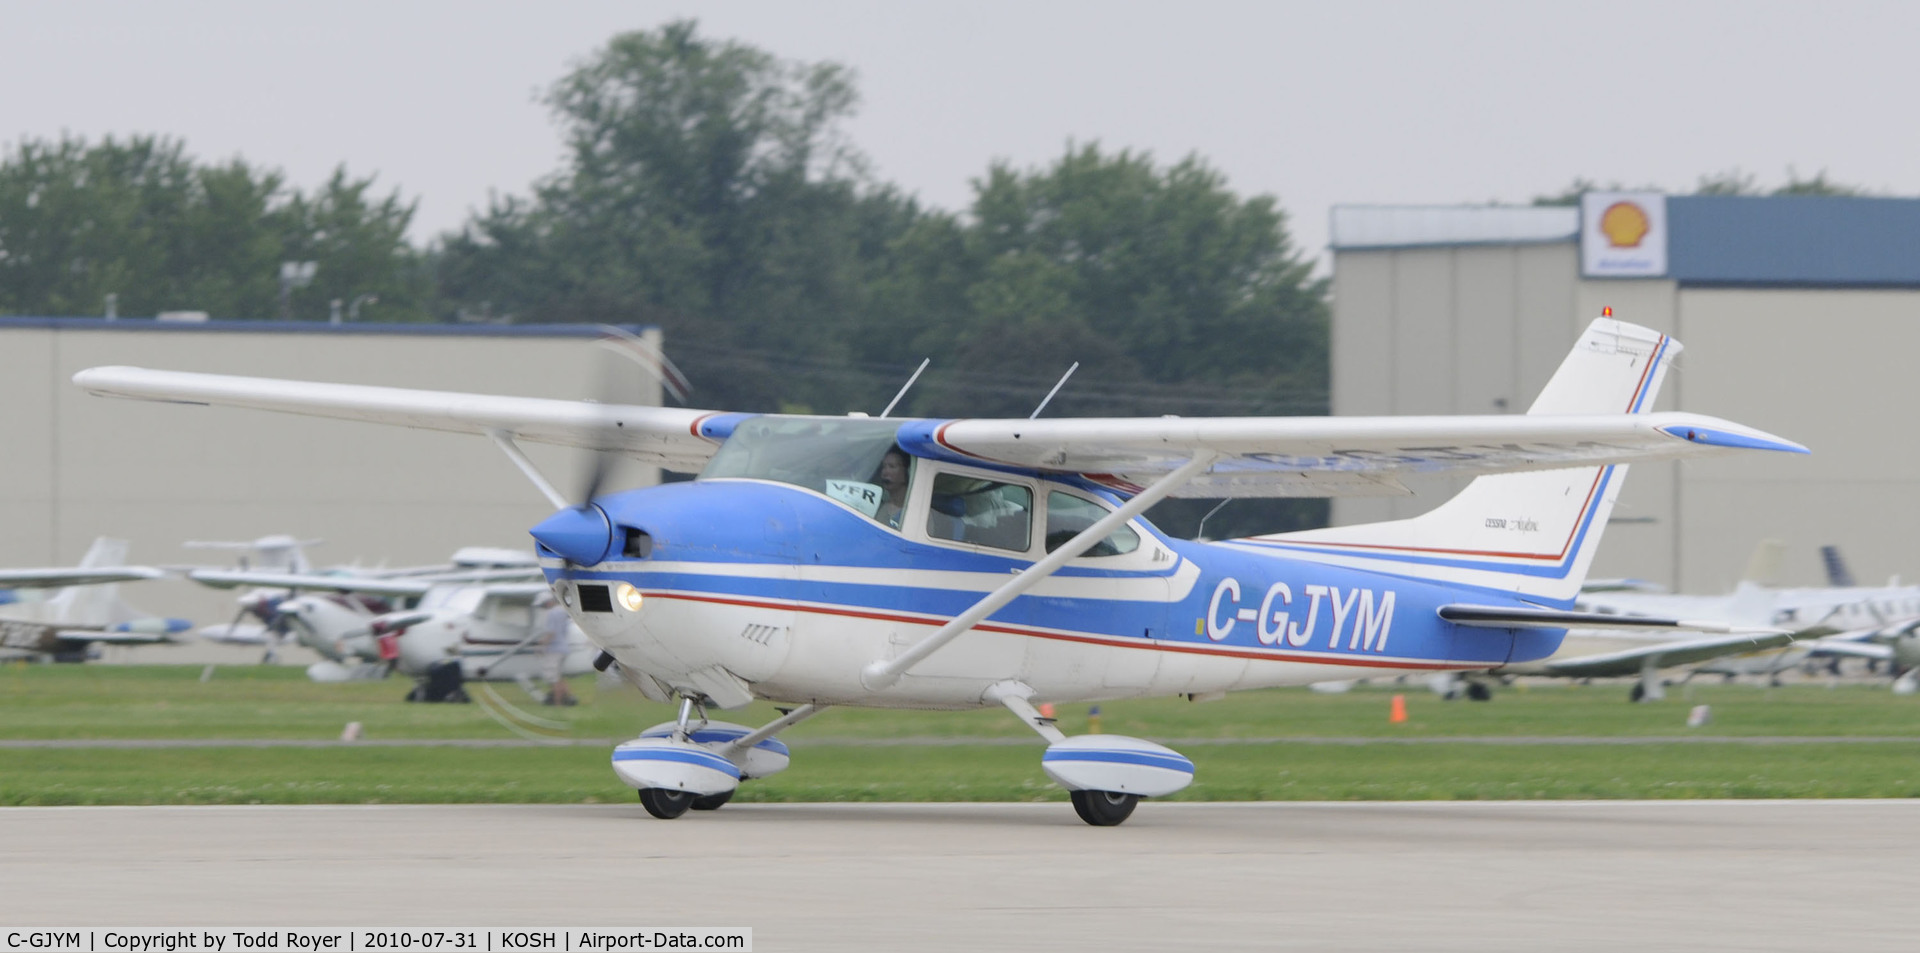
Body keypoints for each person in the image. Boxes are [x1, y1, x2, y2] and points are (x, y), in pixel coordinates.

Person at [540, 595, 577, 706]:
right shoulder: (563, 612)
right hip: (564, 647)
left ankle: (558, 703)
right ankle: (570, 698)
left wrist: (542, 645)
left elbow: (551, 632)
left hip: (554, 649)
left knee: (553, 678)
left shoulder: (552, 613)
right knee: (559, 676)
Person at [871, 448, 911, 529]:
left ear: (906, 472)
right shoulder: (881, 508)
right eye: (883, 467)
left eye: (892, 466)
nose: (885, 472)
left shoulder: (918, 511)